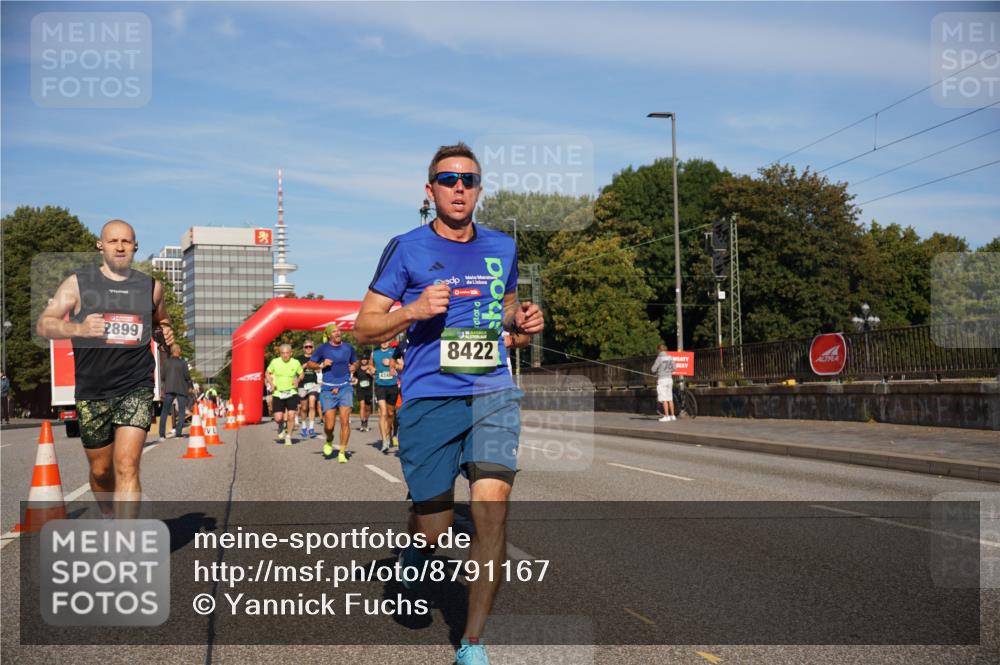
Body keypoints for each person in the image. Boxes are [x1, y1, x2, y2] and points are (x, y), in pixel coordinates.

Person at [354, 142, 544, 665]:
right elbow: (363, 328)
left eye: (469, 180)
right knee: (435, 524)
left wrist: (520, 321)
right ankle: (415, 552)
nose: (459, 188)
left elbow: (504, 311)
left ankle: (473, 642)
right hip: (430, 396)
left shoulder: (502, 247)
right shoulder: (406, 248)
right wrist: (412, 309)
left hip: (491, 392)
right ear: (430, 189)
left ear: (479, 189)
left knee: (491, 509)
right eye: (448, 179)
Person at [36, 219, 173, 518]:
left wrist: (165, 332)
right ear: (101, 245)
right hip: (92, 390)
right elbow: (45, 323)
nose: (120, 246)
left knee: (127, 466)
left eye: (126, 241)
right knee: (101, 471)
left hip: (135, 385)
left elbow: (161, 321)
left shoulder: (151, 287)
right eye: (113, 241)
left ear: (135, 246)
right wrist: (80, 327)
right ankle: (110, 515)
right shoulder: (78, 283)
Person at [305, 324, 357, 463]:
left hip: (345, 387)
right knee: (329, 425)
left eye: (339, 331)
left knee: (345, 420)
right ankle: (329, 439)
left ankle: (342, 451)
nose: (338, 333)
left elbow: (355, 362)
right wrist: (322, 365)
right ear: (328, 335)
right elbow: (310, 364)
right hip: (328, 389)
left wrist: (354, 366)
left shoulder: (348, 347)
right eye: (334, 331)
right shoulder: (323, 349)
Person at [265, 344, 303, 446]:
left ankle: (288, 436)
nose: (285, 355)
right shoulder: (275, 362)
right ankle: (281, 425)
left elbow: (301, 373)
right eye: (283, 353)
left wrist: (298, 380)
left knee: (291, 415)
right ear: (280, 354)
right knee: (278, 418)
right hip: (278, 393)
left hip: (291, 392)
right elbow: (267, 373)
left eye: (287, 353)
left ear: (291, 353)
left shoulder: (296, 362)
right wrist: (272, 383)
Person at [159, 344, 192, 439]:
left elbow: (163, 377)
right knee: (181, 411)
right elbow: (187, 376)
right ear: (178, 351)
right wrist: (190, 386)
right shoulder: (183, 363)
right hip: (181, 389)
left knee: (165, 411)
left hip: (169, 388)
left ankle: (162, 434)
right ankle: (178, 433)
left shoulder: (166, 362)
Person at [372, 340, 399, 453]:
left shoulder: (395, 352)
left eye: (386, 340)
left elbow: (403, 365)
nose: (384, 342)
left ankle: (388, 434)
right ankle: (384, 440)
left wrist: (392, 364)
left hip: (392, 385)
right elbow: (370, 365)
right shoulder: (374, 353)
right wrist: (371, 369)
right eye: (382, 340)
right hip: (380, 385)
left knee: (391, 413)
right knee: (383, 412)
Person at [298, 339, 321, 438]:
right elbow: (295, 371)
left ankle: (311, 428)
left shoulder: (316, 358)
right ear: (303, 348)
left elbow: (320, 369)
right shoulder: (298, 359)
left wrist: (317, 368)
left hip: (313, 384)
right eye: (306, 347)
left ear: (313, 348)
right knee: (304, 408)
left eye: (310, 347)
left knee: (312, 405)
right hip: (302, 385)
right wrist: (303, 367)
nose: (308, 348)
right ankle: (304, 427)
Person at [652, 343, 677, 422]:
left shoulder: (659, 358)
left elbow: (653, 369)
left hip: (662, 380)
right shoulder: (670, 357)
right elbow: (674, 368)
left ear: (659, 350)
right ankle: (673, 415)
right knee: (670, 398)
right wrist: (668, 372)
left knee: (664, 398)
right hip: (669, 379)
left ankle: (666, 416)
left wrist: (659, 372)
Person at [354, 356, 374, 432]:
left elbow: (375, 377)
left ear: (367, 360)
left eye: (365, 359)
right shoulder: (357, 370)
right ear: (360, 361)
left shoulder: (370, 369)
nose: (364, 361)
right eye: (362, 359)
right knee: (362, 405)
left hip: (368, 391)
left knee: (368, 408)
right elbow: (355, 380)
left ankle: (366, 421)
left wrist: (371, 374)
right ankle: (362, 424)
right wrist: (353, 381)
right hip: (360, 390)